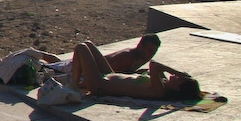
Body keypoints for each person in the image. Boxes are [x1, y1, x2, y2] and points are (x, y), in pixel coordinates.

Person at [71, 41, 200, 101]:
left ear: (178, 88)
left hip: (100, 85)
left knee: (81, 47)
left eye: (179, 78)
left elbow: (154, 65)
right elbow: (156, 70)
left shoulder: (159, 91)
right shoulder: (163, 83)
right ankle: (78, 83)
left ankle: (74, 85)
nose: (176, 76)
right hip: (109, 75)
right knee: (88, 44)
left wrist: (177, 72)